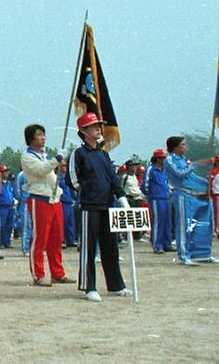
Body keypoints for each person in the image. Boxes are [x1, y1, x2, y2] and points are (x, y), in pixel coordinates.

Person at [68, 113, 130, 302]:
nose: (98, 129)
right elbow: (72, 179)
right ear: (83, 131)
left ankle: (116, 285)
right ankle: (89, 287)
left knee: (111, 247)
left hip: (107, 205)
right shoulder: (78, 154)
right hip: (90, 206)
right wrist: (87, 191)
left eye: (99, 126)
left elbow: (113, 177)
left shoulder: (104, 154)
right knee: (88, 247)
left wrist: (121, 196)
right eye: (93, 126)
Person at [20, 124, 70, 287]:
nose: (43, 138)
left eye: (43, 134)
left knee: (56, 238)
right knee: (40, 238)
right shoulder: (27, 157)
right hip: (39, 199)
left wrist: (55, 160)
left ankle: (58, 273)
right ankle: (38, 274)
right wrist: (57, 159)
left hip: (54, 198)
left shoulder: (44, 155)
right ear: (31, 138)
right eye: (39, 135)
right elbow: (41, 171)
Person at [163, 136, 218, 265]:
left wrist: (207, 184)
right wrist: (196, 164)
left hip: (196, 196)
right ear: (175, 147)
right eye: (183, 144)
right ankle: (184, 256)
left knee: (201, 224)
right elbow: (180, 173)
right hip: (182, 195)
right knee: (185, 226)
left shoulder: (184, 159)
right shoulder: (169, 160)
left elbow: (192, 176)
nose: (185, 147)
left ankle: (202, 254)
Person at [141, 149, 173, 254]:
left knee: (167, 222)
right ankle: (157, 245)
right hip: (156, 198)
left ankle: (167, 244)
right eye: (161, 158)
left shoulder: (165, 170)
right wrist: (150, 195)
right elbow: (145, 185)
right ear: (156, 158)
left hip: (166, 198)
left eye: (164, 158)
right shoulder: (151, 169)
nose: (163, 160)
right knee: (158, 222)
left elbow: (168, 183)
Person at [57, 162, 77, 248]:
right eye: (63, 166)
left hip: (69, 201)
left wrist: (74, 199)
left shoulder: (68, 178)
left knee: (70, 222)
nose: (64, 168)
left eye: (65, 166)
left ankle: (71, 240)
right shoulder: (58, 178)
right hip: (63, 201)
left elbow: (73, 189)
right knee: (63, 222)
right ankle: (62, 240)